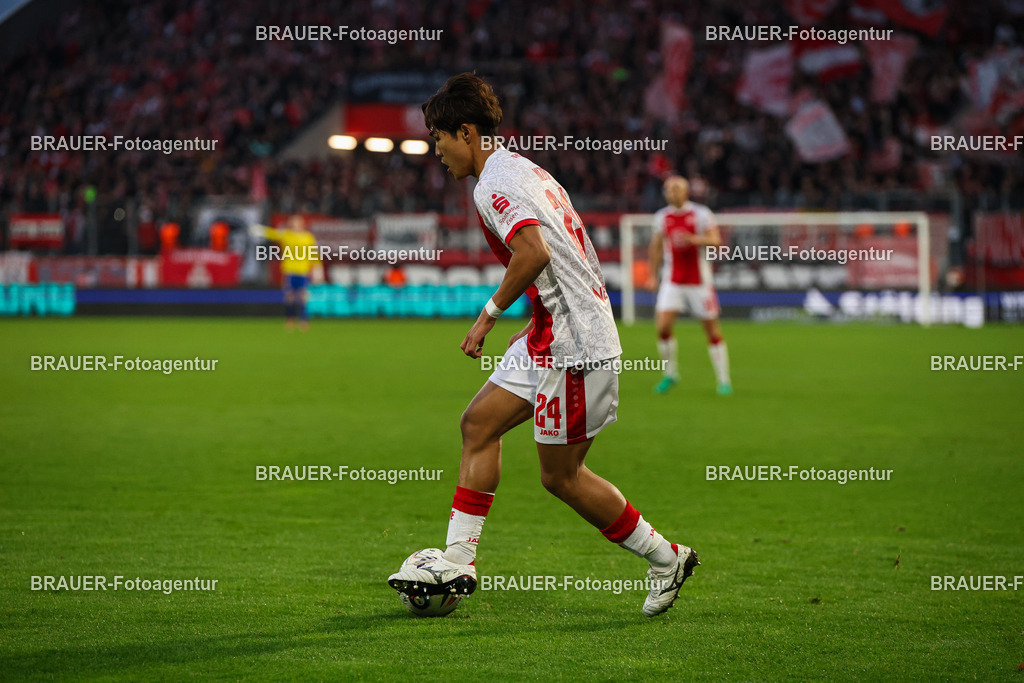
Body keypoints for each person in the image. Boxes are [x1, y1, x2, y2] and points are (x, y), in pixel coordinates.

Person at [387, 73, 699, 616]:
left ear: (466, 132)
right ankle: (459, 560)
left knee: (561, 477)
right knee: (477, 425)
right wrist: (539, 312)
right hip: (551, 331)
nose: (435, 150)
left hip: (576, 346)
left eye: (438, 137)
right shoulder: (522, 167)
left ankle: (666, 557)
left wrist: (485, 317)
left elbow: (533, 252)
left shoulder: (494, 183)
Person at [647, 176, 732, 395]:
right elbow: (656, 247)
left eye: (676, 189)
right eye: (668, 189)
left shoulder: (701, 213)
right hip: (672, 280)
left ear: (686, 192)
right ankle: (670, 374)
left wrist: (694, 239)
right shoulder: (661, 217)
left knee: (711, 329)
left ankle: (723, 380)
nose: (671, 193)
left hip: (699, 283)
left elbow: (716, 241)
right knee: (663, 326)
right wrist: (652, 276)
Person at [250, 215, 322, 331]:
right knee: (289, 296)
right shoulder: (286, 235)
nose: (294, 224)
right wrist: (260, 230)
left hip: (302, 271)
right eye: (292, 222)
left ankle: (304, 320)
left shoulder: (308, 237)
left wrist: (317, 269)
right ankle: (290, 319)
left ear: (302, 224)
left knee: (303, 296)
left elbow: (313, 254)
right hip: (289, 270)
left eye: (297, 222)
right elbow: (273, 234)